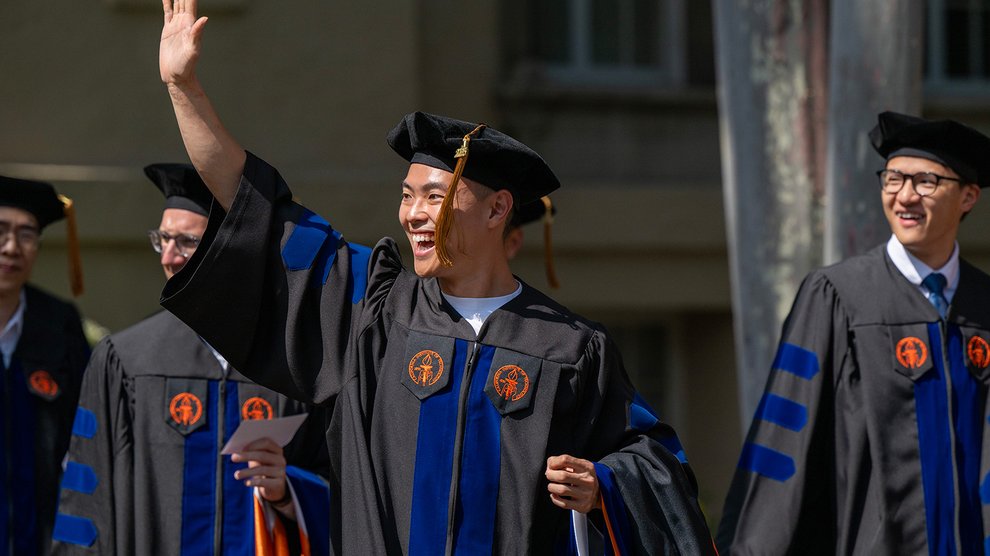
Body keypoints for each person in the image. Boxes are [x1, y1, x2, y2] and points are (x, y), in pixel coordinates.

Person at [157, 1, 714, 554]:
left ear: (498, 211)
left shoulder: (568, 349)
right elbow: (256, 205)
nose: (413, 214)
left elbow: (657, 466)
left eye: (434, 197)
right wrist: (185, 89)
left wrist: (601, 488)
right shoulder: (370, 312)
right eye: (406, 196)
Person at [716, 111, 990, 554]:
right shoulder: (838, 297)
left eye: (925, 182)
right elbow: (786, 446)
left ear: (968, 196)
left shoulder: (984, 306)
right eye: (893, 179)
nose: (904, 196)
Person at [51, 164, 331, 555]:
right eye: (162, 239)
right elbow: (87, 504)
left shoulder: (299, 363)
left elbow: (347, 490)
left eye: (186, 242)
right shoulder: (127, 361)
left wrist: (288, 491)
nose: (168, 256)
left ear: (235, 250)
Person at [0, 176, 90, 555]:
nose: (11, 248)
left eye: (27, 234)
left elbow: (86, 436)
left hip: (41, 535)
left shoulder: (58, 325)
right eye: (1, 231)